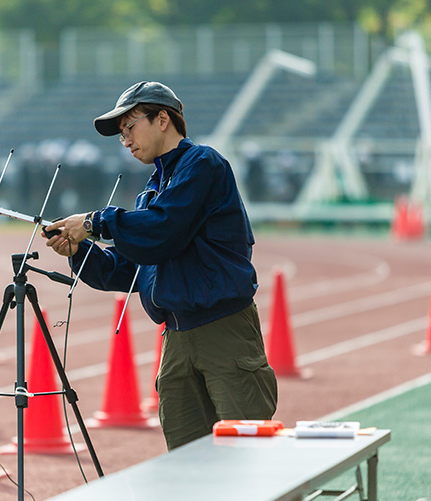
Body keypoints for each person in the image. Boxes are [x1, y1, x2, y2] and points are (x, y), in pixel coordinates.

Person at [43, 81, 277, 450]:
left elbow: (163, 228)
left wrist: (92, 223)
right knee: (186, 469)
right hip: (176, 341)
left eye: (130, 127)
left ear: (163, 119)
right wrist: (78, 251)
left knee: (246, 458)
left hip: (224, 334)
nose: (125, 140)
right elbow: (129, 268)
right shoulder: (152, 190)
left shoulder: (203, 164)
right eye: (120, 134)